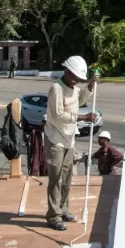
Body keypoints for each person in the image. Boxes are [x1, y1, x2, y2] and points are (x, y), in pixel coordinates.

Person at [44, 56, 97, 231]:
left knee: (67, 177)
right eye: (74, 77)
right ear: (66, 72)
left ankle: (63, 209)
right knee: (56, 178)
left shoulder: (73, 88)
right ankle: (53, 216)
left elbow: (81, 100)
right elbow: (58, 115)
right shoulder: (56, 88)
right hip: (55, 138)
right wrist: (83, 117)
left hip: (69, 138)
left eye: (79, 79)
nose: (76, 81)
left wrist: (90, 86)